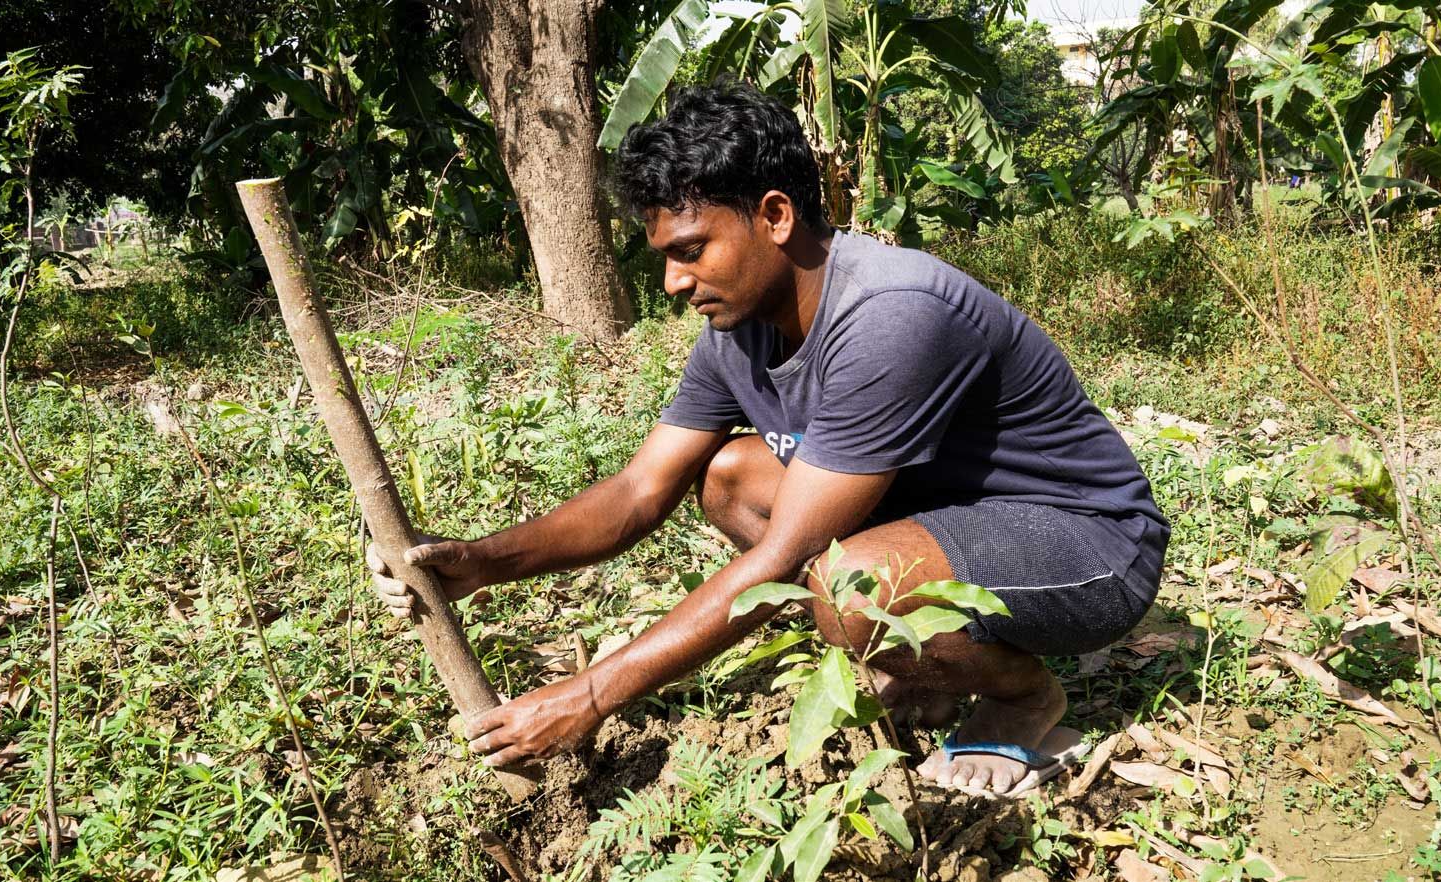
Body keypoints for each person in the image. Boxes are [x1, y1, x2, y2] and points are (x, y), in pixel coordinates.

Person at [367, 82, 1168, 797]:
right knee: (729, 476)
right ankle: (922, 658)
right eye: (664, 259)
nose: (675, 283)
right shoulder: (738, 328)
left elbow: (784, 558)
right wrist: (482, 561)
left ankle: (1021, 695)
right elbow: (641, 491)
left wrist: (595, 692)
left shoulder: (890, 312)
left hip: (1087, 546)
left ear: (775, 216)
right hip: (950, 519)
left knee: (850, 582)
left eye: (690, 250)